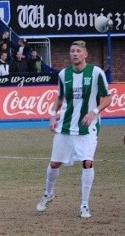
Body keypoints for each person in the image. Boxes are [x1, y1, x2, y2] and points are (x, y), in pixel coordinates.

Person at [36, 41, 111, 219]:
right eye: (72, 51)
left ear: (85, 54)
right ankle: (48, 193)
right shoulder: (64, 74)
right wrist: (53, 115)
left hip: (87, 127)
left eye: (78, 51)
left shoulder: (95, 73)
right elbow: (60, 97)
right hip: (66, 126)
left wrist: (93, 112)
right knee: (54, 163)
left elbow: (107, 99)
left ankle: (84, 205)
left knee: (87, 162)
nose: (74, 54)